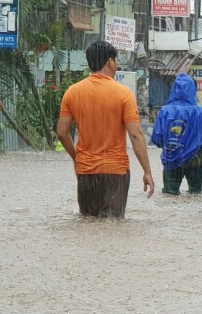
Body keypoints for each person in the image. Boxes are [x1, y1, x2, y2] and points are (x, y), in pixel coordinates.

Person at [56, 40, 155, 217]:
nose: (117, 65)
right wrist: (147, 171)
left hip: (86, 172)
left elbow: (62, 132)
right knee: (113, 228)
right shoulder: (124, 94)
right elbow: (136, 135)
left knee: (88, 226)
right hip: (115, 173)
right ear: (110, 62)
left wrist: (77, 158)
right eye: (116, 61)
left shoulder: (72, 92)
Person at [151, 72, 202, 195]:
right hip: (197, 160)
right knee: (197, 195)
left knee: (170, 196)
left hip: (171, 160)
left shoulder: (165, 111)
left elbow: (157, 139)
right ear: (193, 90)